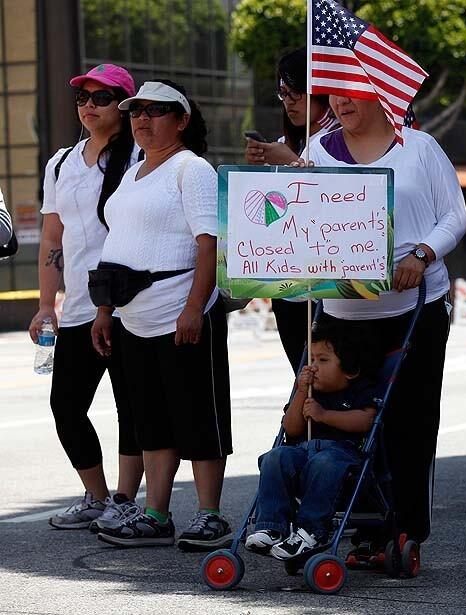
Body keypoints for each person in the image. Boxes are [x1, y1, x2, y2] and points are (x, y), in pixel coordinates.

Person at [294, 94, 466, 549]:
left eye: (354, 91)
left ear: (379, 93)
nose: (343, 101)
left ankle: (405, 527)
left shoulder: (420, 147)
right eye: (334, 92)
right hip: (341, 314)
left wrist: (421, 253)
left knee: (411, 422)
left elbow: (455, 215)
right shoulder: (314, 149)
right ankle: (335, 522)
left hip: (412, 307)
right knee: (333, 421)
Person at [91, 80, 232, 550]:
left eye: (155, 111)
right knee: (150, 418)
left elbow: (207, 242)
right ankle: (157, 513)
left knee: (198, 415)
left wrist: (195, 307)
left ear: (182, 119)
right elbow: (118, 243)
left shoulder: (191, 170)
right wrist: (105, 311)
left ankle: (210, 515)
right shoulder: (132, 173)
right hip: (133, 317)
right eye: (136, 112)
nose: (142, 121)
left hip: (180, 313)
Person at [29, 64, 145, 531]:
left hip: (132, 303)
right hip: (78, 305)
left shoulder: (142, 155)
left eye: (101, 98)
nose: (89, 106)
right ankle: (96, 496)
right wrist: (44, 305)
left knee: (132, 407)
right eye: (83, 98)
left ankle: (126, 500)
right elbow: (53, 237)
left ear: (124, 105)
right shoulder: (61, 162)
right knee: (66, 404)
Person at [245, 320, 381, 560]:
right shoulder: (308, 392)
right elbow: (291, 427)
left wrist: (324, 415)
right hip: (303, 453)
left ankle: (311, 530)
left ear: (349, 368)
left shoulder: (360, 390)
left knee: (325, 461)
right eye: (312, 359)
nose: (313, 366)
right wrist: (300, 391)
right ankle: (271, 526)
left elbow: (365, 421)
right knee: (276, 456)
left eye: (323, 360)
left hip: (341, 457)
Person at [244, 47, 339, 372]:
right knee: (303, 380)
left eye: (298, 92)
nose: (290, 102)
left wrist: (294, 163)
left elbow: (348, 200)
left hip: (334, 285)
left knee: (331, 381)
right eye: (283, 93)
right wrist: (258, 171)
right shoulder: (286, 141)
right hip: (288, 287)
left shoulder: (342, 138)